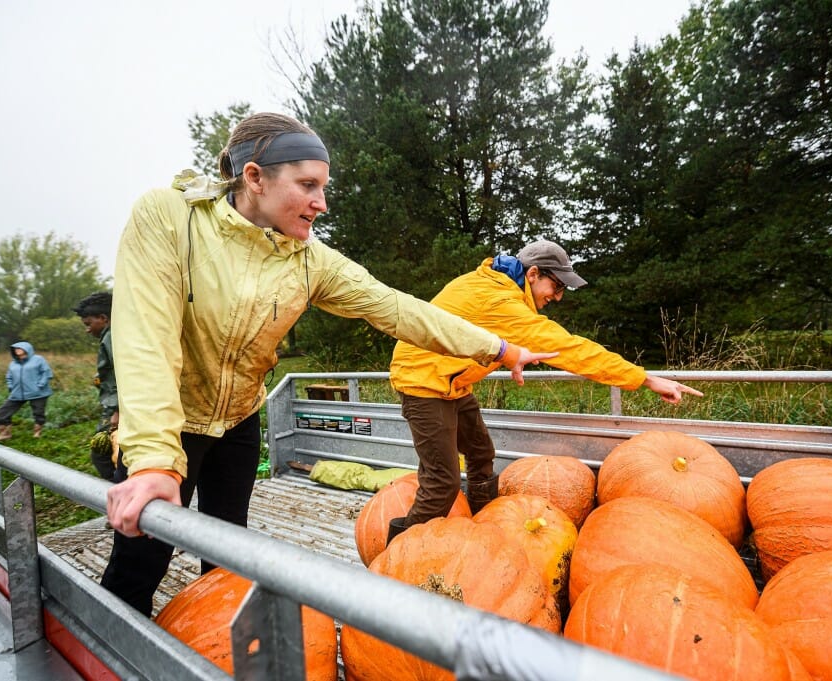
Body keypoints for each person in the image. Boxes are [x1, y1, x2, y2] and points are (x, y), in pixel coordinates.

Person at [102, 111, 556, 617]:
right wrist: (154, 459)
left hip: (238, 420)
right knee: (142, 556)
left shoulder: (308, 259)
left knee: (228, 550)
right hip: (169, 422)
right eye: (308, 185)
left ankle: (220, 646)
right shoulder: (169, 218)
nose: (322, 202)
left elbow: (400, 309)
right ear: (255, 178)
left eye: (324, 186)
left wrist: (498, 348)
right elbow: (147, 340)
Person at [387, 240, 705, 540]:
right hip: (424, 382)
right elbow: (571, 350)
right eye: (556, 286)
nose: (558, 296)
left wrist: (506, 357)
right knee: (443, 481)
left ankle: (481, 524)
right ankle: (398, 559)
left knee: (481, 453)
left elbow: (474, 331)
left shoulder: (495, 287)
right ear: (533, 273)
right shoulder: (500, 300)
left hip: (452, 381)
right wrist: (645, 379)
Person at [73, 292, 120, 480]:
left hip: (117, 409)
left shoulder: (111, 338)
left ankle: (118, 491)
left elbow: (123, 374)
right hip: (116, 406)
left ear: (103, 318)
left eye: (88, 324)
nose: (87, 330)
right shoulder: (113, 335)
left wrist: (118, 410)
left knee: (101, 452)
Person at [0, 341, 54, 441]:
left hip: (38, 392)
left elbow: (46, 372)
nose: (17, 350)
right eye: (15, 349)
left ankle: (37, 433)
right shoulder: (13, 363)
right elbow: (9, 376)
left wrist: (40, 385)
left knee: (38, 413)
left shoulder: (38, 359)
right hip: (17, 392)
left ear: (27, 349)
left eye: (19, 348)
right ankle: (5, 434)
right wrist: (10, 386)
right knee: (3, 412)